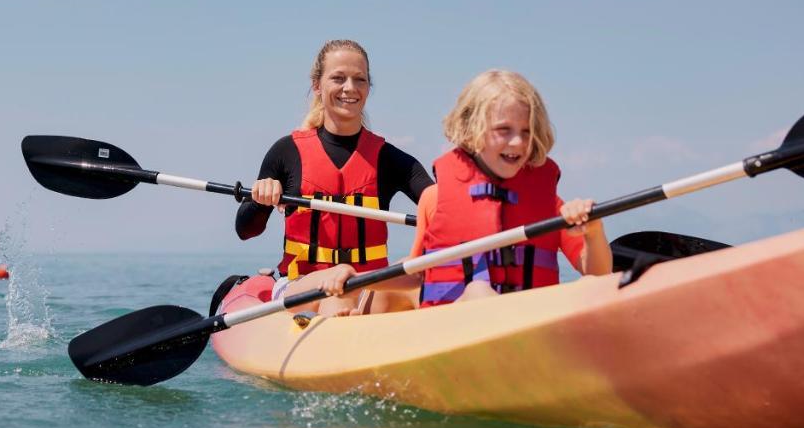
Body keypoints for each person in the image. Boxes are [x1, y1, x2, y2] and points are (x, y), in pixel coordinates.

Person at [320, 69, 612, 309]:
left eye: (526, 132)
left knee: (587, 289)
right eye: (503, 130)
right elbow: (418, 273)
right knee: (478, 291)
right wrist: (359, 279)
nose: (518, 143)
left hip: (528, 327)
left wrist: (593, 231)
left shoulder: (547, 201)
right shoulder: (436, 199)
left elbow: (597, 274)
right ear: (471, 129)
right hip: (455, 329)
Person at [234, 39, 433, 315]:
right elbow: (246, 230)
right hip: (300, 283)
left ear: (368, 87)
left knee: (413, 286)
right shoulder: (286, 152)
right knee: (339, 284)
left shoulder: (390, 159)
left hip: (369, 285)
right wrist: (261, 199)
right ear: (317, 85)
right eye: (338, 78)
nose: (350, 88)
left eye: (359, 79)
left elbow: (439, 205)